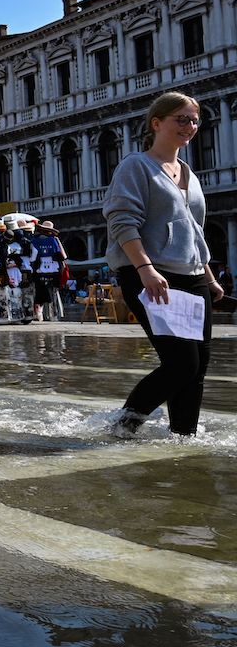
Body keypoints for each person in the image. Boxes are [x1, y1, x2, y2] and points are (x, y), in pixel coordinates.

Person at [104, 92, 222, 437]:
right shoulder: (136, 166)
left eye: (194, 120)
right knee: (181, 363)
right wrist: (145, 269)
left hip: (193, 275)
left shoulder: (189, 173)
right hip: (151, 275)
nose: (190, 126)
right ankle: (124, 426)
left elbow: (195, 231)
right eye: (181, 119)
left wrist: (209, 277)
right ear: (156, 123)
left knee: (198, 366)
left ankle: (184, 437)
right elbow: (122, 221)